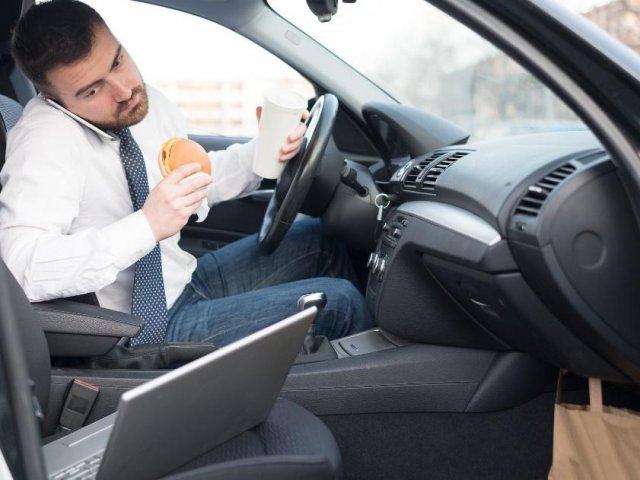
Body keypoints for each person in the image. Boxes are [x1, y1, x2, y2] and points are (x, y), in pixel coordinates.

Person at [0, 0, 374, 347]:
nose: (124, 89)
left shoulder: (145, 105)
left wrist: (263, 153)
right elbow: (21, 267)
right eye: (93, 89)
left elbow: (195, 178)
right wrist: (146, 225)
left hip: (183, 283)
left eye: (117, 61)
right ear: (54, 99)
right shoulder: (45, 143)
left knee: (320, 238)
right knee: (339, 303)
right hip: (143, 329)